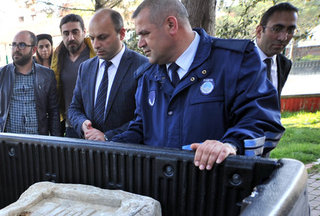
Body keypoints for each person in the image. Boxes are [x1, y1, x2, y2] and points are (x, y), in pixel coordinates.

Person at [111, 0, 283, 170]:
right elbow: (142, 127)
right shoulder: (148, 75)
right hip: (159, 189)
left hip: (216, 188)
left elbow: (263, 122)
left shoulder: (236, 61)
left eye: (145, 34)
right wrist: (108, 145)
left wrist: (231, 144)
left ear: (171, 25)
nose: (140, 44)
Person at [67, 9, 148, 141]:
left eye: (102, 37)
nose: (96, 45)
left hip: (126, 154)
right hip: (90, 153)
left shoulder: (143, 66)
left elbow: (145, 118)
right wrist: (83, 125)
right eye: (92, 38)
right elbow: (74, 108)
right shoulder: (85, 68)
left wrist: (107, 137)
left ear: (121, 34)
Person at [0, 31, 60, 136]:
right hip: (8, 143)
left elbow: (53, 112)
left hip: (37, 143)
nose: (16, 49)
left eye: (22, 45)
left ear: (33, 50)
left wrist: (54, 143)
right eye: (14, 45)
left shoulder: (47, 76)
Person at [51, 14, 96, 137]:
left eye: (75, 32)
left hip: (95, 127)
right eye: (66, 33)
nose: (70, 37)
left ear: (84, 32)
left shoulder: (96, 55)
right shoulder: (58, 59)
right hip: (70, 125)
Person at [255, 2, 298, 96]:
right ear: (259, 31)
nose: (283, 38)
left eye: (290, 31)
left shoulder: (285, 64)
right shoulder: (237, 60)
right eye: (277, 29)